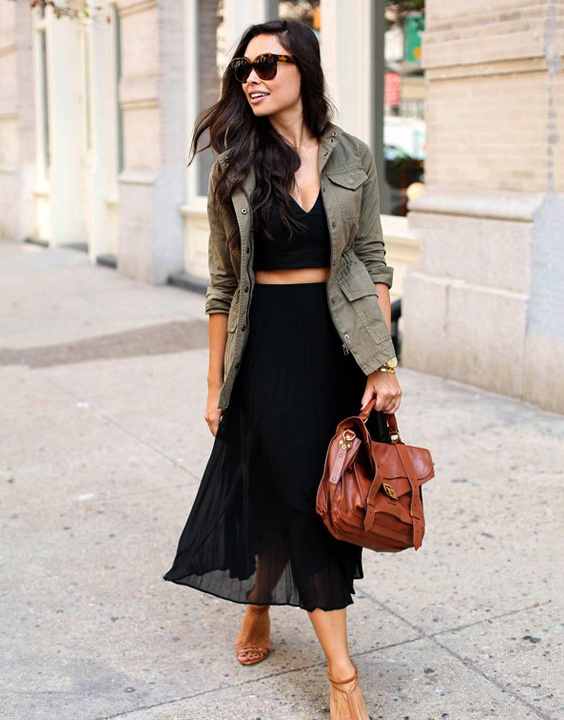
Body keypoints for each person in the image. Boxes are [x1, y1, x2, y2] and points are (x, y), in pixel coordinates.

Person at [163, 18, 402, 720]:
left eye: (268, 63)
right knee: (300, 493)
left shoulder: (352, 157)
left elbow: (374, 262)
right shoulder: (234, 165)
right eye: (244, 67)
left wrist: (382, 362)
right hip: (266, 347)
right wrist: (214, 385)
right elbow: (219, 286)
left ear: (306, 70)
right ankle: (343, 672)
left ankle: (261, 602)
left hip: (337, 346)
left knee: (317, 492)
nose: (253, 78)